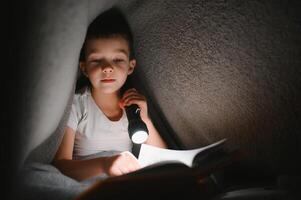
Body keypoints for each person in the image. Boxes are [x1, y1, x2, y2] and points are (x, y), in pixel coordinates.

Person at [53, 8, 167, 181]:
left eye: (118, 59)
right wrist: (105, 164)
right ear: (84, 68)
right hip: (87, 185)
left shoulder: (133, 108)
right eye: (97, 60)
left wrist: (146, 120)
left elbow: (165, 161)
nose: (107, 68)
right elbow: (61, 165)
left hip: (123, 185)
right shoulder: (77, 105)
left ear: (130, 66)